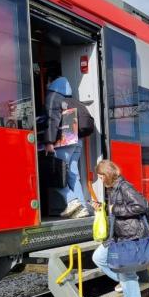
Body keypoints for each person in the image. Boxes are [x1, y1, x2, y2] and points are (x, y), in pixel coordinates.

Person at [91, 160, 149, 297]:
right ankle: (125, 282)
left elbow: (141, 205)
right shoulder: (113, 188)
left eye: (101, 176)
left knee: (127, 274)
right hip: (117, 236)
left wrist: (115, 210)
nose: (100, 180)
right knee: (99, 258)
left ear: (107, 175)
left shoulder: (124, 186)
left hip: (128, 237)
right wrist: (101, 207)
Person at [43, 75, 89, 219]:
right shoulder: (73, 100)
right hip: (77, 141)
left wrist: (49, 141)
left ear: (52, 85)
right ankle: (82, 206)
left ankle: (72, 201)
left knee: (56, 173)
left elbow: (52, 119)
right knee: (72, 174)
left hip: (64, 142)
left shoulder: (53, 96)